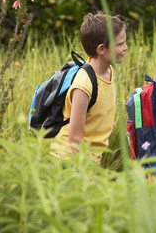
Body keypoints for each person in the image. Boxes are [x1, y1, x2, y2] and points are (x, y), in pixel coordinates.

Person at [53, 12, 128, 164]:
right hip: (69, 161)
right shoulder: (83, 85)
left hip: (90, 159)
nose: (126, 47)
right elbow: (75, 139)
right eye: (120, 44)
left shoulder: (109, 72)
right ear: (101, 49)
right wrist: (89, 173)